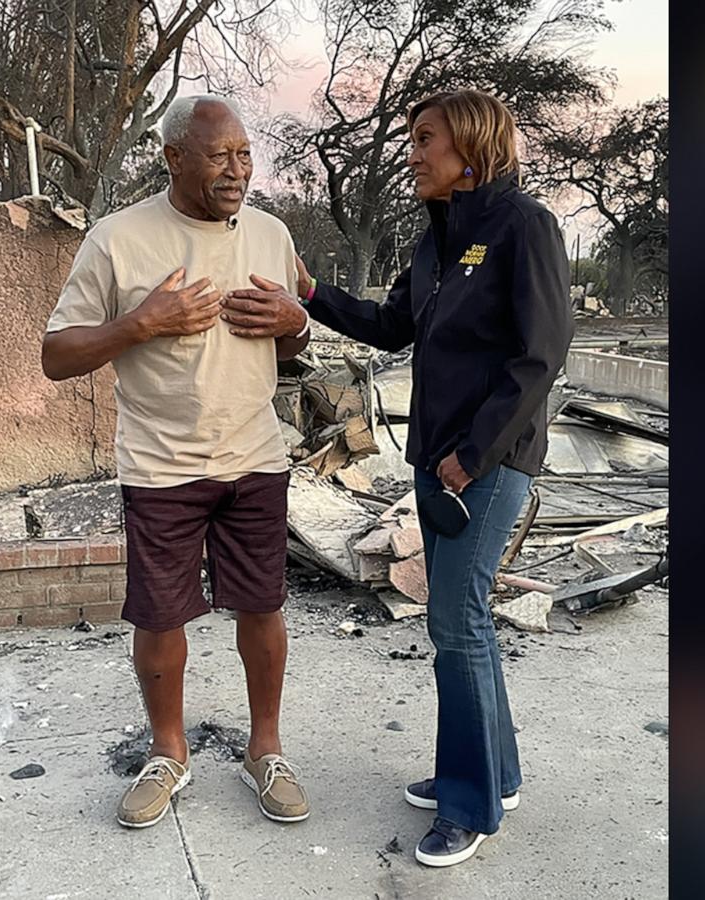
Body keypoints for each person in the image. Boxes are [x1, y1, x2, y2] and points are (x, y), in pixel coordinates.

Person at [234, 89, 573, 867]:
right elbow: (392, 326)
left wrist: (472, 453)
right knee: (464, 625)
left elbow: (539, 357)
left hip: (486, 468)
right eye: (411, 138)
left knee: (456, 626)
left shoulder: (525, 227)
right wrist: (311, 297)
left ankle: (469, 805)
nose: (412, 151)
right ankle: (498, 774)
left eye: (426, 137)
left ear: (473, 146)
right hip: (436, 462)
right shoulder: (436, 241)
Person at [41, 95, 314, 830]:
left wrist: (296, 324)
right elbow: (56, 354)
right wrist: (141, 323)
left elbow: (288, 343)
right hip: (160, 465)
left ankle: (267, 750)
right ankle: (169, 752)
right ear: (174, 158)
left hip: (255, 453)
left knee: (262, 605)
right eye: (221, 155)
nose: (238, 170)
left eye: (246, 155)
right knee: (160, 616)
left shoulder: (271, 233)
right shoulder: (119, 238)